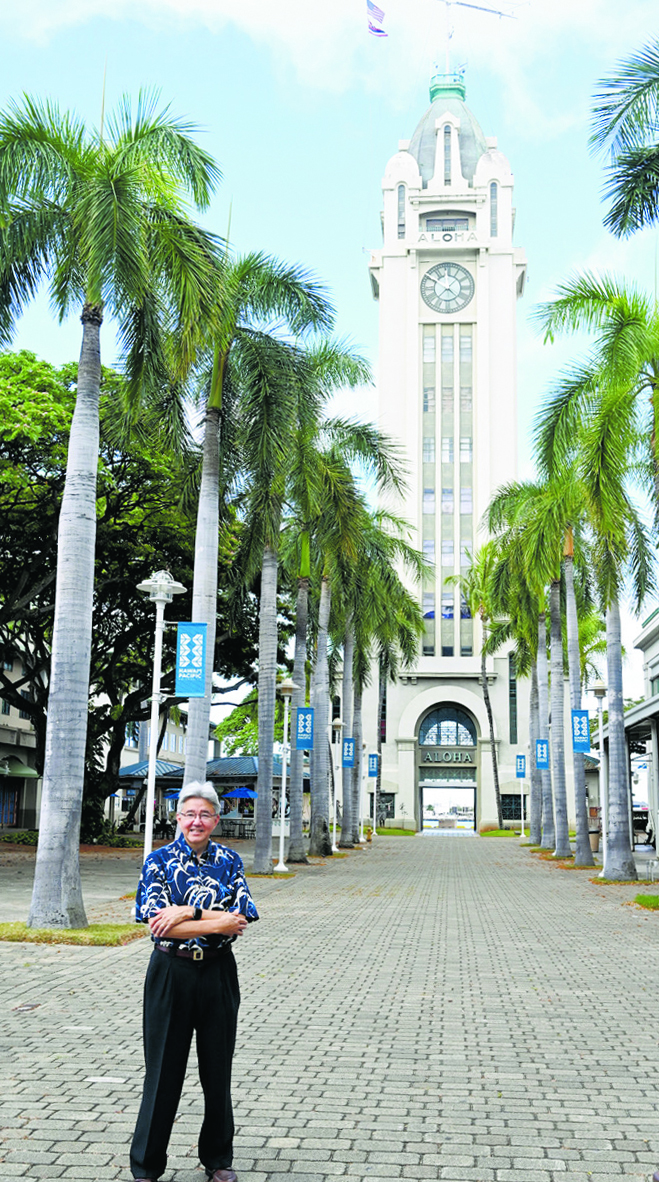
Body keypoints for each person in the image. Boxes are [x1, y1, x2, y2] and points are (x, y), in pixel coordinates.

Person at [130, 780, 259, 1182]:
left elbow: (240, 919)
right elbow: (159, 925)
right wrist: (215, 919)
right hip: (171, 972)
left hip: (218, 972)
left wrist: (187, 912)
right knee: (162, 1071)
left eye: (205, 814)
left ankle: (218, 1159)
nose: (196, 821)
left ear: (216, 820)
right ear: (178, 818)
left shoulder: (230, 862)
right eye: (189, 814)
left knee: (217, 1070)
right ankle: (147, 1165)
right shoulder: (158, 861)